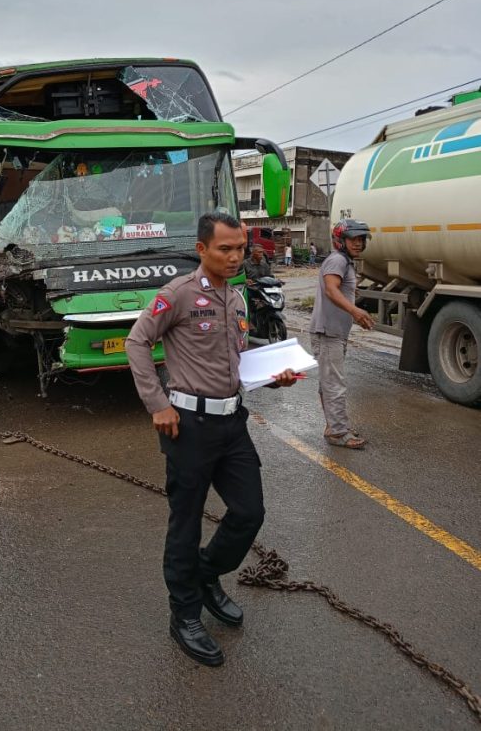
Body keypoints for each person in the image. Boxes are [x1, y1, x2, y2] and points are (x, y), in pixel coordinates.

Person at [125, 213, 297, 667]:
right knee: (186, 522)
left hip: (231, 422)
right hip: (189, 426)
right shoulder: (178, 295)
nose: (235, 256)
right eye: (225, 248)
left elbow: (235, 360)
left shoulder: (237, 299)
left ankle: (205, 574)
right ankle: (184, 613)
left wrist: (273, 377)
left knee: (248, 512)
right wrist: (157, 403)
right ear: (202, 249)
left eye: (240, 248)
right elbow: (136, 343)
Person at [310, 220, 374, 449]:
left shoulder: (345, 262)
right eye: (353, 239)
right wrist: (355, 310)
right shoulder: (338, 260)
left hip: (334, 331)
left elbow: (341, 289)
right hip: (328, 332)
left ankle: (334, 426)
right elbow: (331, 289)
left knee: (328, 383)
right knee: (334, 384)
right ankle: (337, 433)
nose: (358, 243)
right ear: (341, 240)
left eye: (361, 239)